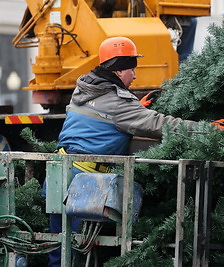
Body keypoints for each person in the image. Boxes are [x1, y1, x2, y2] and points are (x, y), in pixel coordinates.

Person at [47, 36, 198, 267]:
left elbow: (102, 115)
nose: (135, 75)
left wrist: (136, 107)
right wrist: (202, 129)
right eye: (131, 69)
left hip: (58, 178)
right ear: (118, 71)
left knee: (60, 249)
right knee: (72, 253)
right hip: (84, 187)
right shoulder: (118, 104)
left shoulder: (85, 88)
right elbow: (159, 124)